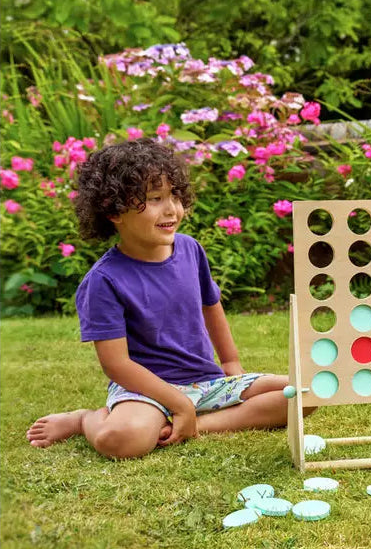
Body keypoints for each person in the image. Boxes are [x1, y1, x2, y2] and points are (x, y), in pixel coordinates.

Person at [27, 137, 297, 459]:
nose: (172, 209)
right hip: (145, 393)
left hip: (207, 383)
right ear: (114, 211)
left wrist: (230, 364)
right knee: (122, 440)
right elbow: (117, 365)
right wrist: (176, 401)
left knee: (302, 394)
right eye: (155, 198)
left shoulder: (190, 249)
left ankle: (193, 425)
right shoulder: (103, 281)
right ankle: (86, 419)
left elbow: (211, 306)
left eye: (175, 196)